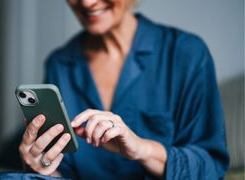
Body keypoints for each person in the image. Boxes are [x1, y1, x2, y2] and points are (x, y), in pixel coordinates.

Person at [16, 0, 229, 179]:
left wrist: (142, 149)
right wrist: (41, 167)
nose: (87, 3)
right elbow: (63, 170)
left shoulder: (186, 53)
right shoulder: (59, 64)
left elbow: (211, 166)